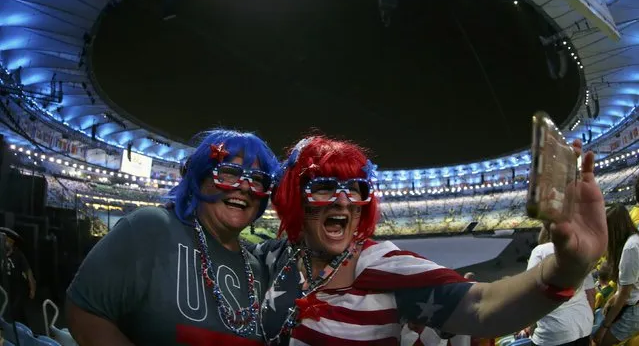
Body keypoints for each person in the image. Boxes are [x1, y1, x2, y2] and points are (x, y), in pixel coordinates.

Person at [254, 135, 607, 345]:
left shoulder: (383, 267)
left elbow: (481, 306)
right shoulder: (274, 257)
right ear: (293, 199)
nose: (344, 201)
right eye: (325, 188)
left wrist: (566, 269)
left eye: (356, 189)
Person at [66, 129, 279, 346]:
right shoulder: (151, 228)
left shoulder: (259, 270)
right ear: (199, 178)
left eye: (257, 179)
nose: (244, 186)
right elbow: (84, 312)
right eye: (229, 173)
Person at [519, 223, 595, 346]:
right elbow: (591, 293)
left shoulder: (540, 251)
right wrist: (588, 323)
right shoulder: (580, 252)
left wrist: (531, 326)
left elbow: (530, 293)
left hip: (554, 331)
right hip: (583, 325)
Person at [593, 203, 639, 346]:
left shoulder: (630, 248)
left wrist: (604, 327)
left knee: (598, 341)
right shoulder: (634, 240)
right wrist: (612, 299)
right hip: (632, 306)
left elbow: (625, 295)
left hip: (633, 311)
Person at [0, 227, 36, 324]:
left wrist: (32, 287)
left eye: (10, 241)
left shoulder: (18, 255)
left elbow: (28, 271)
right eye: (6, 240)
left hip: (17, 287)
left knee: (17, 311)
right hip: (4, 286)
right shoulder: (1, 254)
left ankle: (23, 331)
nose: (7, 243)